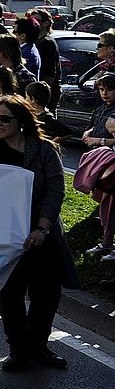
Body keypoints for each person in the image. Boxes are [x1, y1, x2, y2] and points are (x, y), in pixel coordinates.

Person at [0, 93, 78, 372]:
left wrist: (42, 227)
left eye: (4, 119)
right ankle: (18, 349)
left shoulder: (44, 150)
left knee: (47, 293)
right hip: (5, 235)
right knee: (10, 293)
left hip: (42, 231)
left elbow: (56, 190)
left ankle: (39, 346)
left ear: (21, 121)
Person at [79, 72, 115, 258]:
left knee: (110, 204)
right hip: (101, 161)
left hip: (111, 162)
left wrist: (98, 140)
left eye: (109, 89)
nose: (105, 93)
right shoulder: (101, 108)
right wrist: (89, 133)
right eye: (102, 89)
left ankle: (109, 242)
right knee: (105, 204)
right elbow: (93, 124)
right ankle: (107, 242)